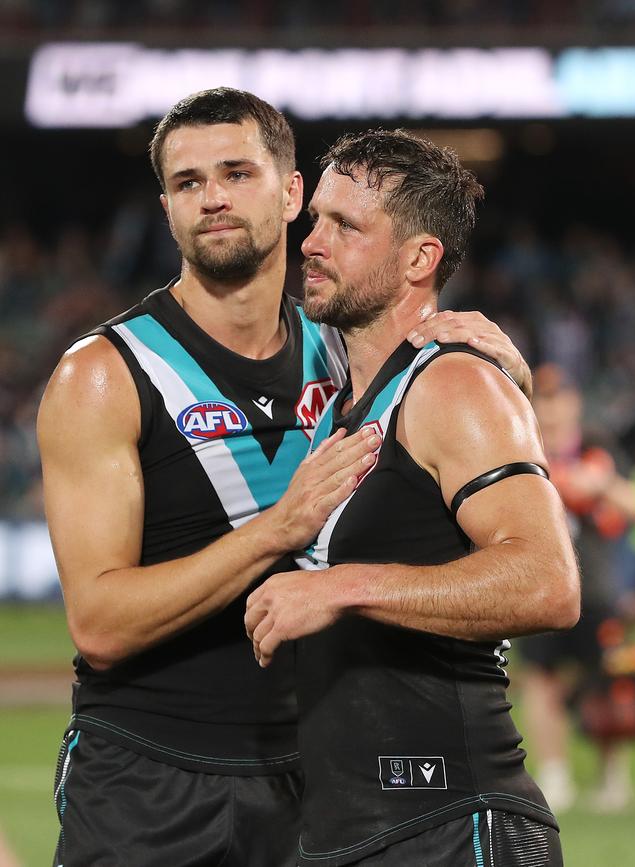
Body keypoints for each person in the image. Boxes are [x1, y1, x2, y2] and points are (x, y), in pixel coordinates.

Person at [38, 90, 532, 867]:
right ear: (165, 206)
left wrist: (501, 367)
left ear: (293, 192)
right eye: (189, 182)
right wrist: (277, 527)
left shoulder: (346, 351)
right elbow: (100, 623)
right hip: (148, 775)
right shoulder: (104, 375)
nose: (215, 199)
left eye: (237, 172)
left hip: (318, 781)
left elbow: (460, 436)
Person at [245, 129, 581, 866]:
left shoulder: (453, 383)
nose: (313, 241)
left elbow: (547, 583)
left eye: (347, 226)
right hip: (350, 831)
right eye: (317, 218)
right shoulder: (347, 401)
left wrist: (344, 587)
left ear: (419, 259)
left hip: (450, 822)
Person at [519, 363, 635, 813]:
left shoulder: (597, 446)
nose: (551, 409)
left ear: (573, 402)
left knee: (609, 683)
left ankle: (613, 778)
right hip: (540, 583)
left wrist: (601, 484)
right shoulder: (519, 441)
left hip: (598, 587)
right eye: (544, 399)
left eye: (558, 398)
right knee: (542, 680)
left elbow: (632, 507)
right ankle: (555, 776)